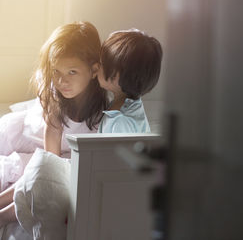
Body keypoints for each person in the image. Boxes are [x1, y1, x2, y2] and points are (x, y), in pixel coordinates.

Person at [0, 21, 107, 227]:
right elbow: (49, 165)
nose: (61, 81)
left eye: (72, 72)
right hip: (32, 138)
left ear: (94, 70)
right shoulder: (55, 96)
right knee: (36, 174)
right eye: (56, 71)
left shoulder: (103, 105)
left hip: (65, 150)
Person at [97, 28, 162, 133]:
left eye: (101, 64)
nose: (96, 67)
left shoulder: (120, 122)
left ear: (116, 76)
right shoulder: (130, 103)